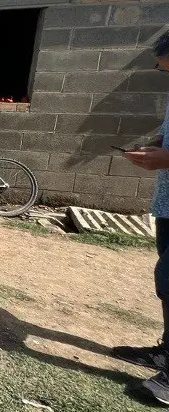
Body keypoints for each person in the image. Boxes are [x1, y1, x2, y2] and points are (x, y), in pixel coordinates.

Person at [113, 31, 169, 406]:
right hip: (167, 203)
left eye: (163, 66)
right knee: (165, 279)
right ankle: (166, 352)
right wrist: (155, 150)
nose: (157, 70)